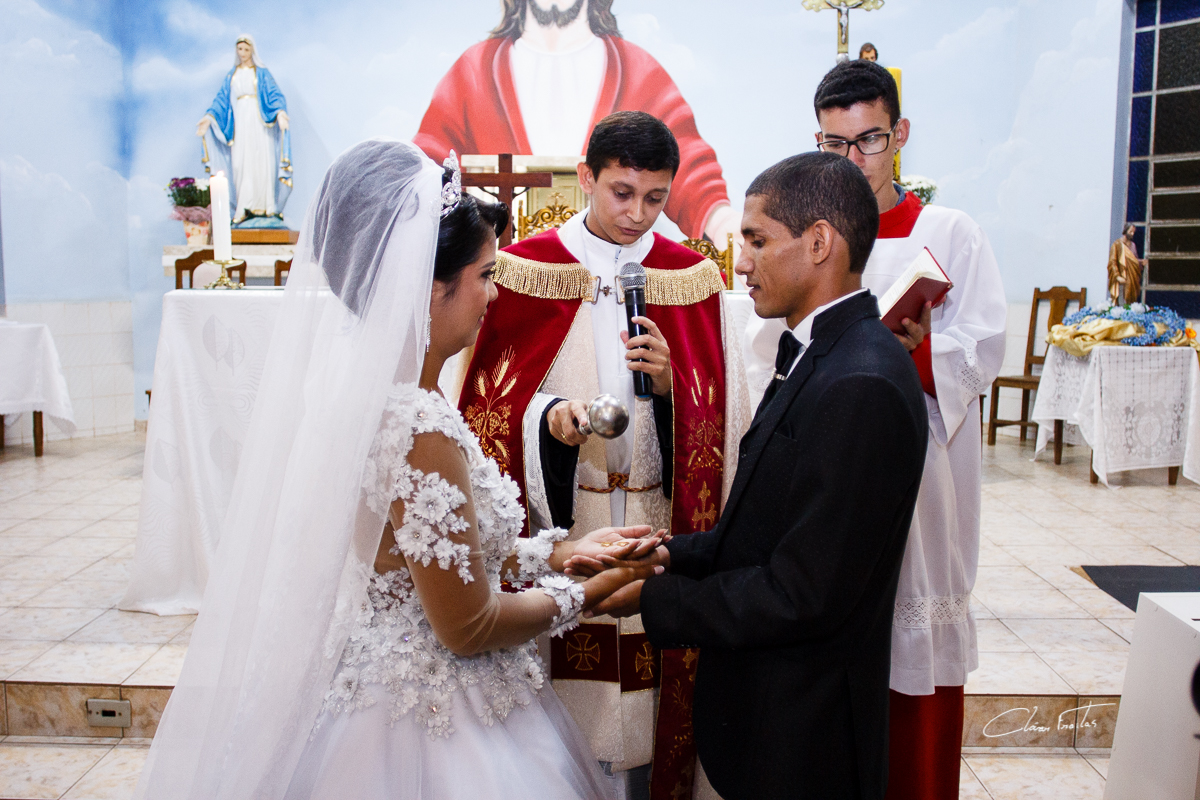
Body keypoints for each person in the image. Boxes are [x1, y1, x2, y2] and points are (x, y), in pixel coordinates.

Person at [132, 140, 662, 800]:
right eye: (484, 275)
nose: (493, 295)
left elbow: (428, 557)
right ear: (430, 288)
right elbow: (466, 627)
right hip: (430, 718)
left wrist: (565, 554)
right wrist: (592, 592)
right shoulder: (417, 425)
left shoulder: (387, 396)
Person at [576, 152, 929, 799]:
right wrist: (666, 553)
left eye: (758, 241)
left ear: (819, 243)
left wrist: (651, 599)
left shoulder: (862, 382)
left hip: (808, 737)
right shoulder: (827, 353)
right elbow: (767, 528)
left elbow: (803, 593)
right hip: (773, 717)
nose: (741, 264)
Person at [458, 111, 750, 800]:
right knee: (567, 725)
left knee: (649, 709)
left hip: (655, 518)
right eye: (622, 193)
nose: (637, 215)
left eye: (655, 198)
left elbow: (725, 414)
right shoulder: (524, 270)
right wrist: (549, 419)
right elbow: (487, 409)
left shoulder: (690, 276)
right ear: (586, 177)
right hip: (566, 523)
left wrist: (675, 387)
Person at [745, 60, 1007, 800]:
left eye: (870, 140)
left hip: (922, 480)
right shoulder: (808, 234)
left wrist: (915, 352)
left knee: (910, 685)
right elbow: (769, 351)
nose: (854, 159)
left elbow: (983, 348)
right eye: (835, 143)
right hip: (832, 473)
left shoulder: (948, 232)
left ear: (901, 134)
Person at [413, 0, 737, 244]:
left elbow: (688, 166)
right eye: (621, 193)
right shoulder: (475, 69)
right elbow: (427, 166)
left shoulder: (636, 68)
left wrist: (722, 222)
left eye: (650, 200)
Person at [196, 35, 293, 226]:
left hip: (259, 124)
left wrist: (280, 113)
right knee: (241, 163)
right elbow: (221, 101)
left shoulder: (261, 73)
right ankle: (243, 207)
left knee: (262, 162)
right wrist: (208, 118)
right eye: (239, 49)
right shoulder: (232, 75)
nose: (242, 53)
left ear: (252, 51)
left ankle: (266, 208)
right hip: (240, 122)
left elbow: (274, 95)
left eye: (246, 50)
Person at [1108, 223, 1145, 305]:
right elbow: (1112, 261)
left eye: (1133, 232)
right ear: (1125, 231)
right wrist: (1117, 276)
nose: (1132, 234)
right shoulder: (1117, 244)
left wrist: (1141, 262)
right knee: (1120, 301)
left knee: (1130, 300)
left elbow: (1133, 260)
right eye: (1130, 231)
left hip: (1131, 278)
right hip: (1121, 277)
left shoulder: (1133, 245)